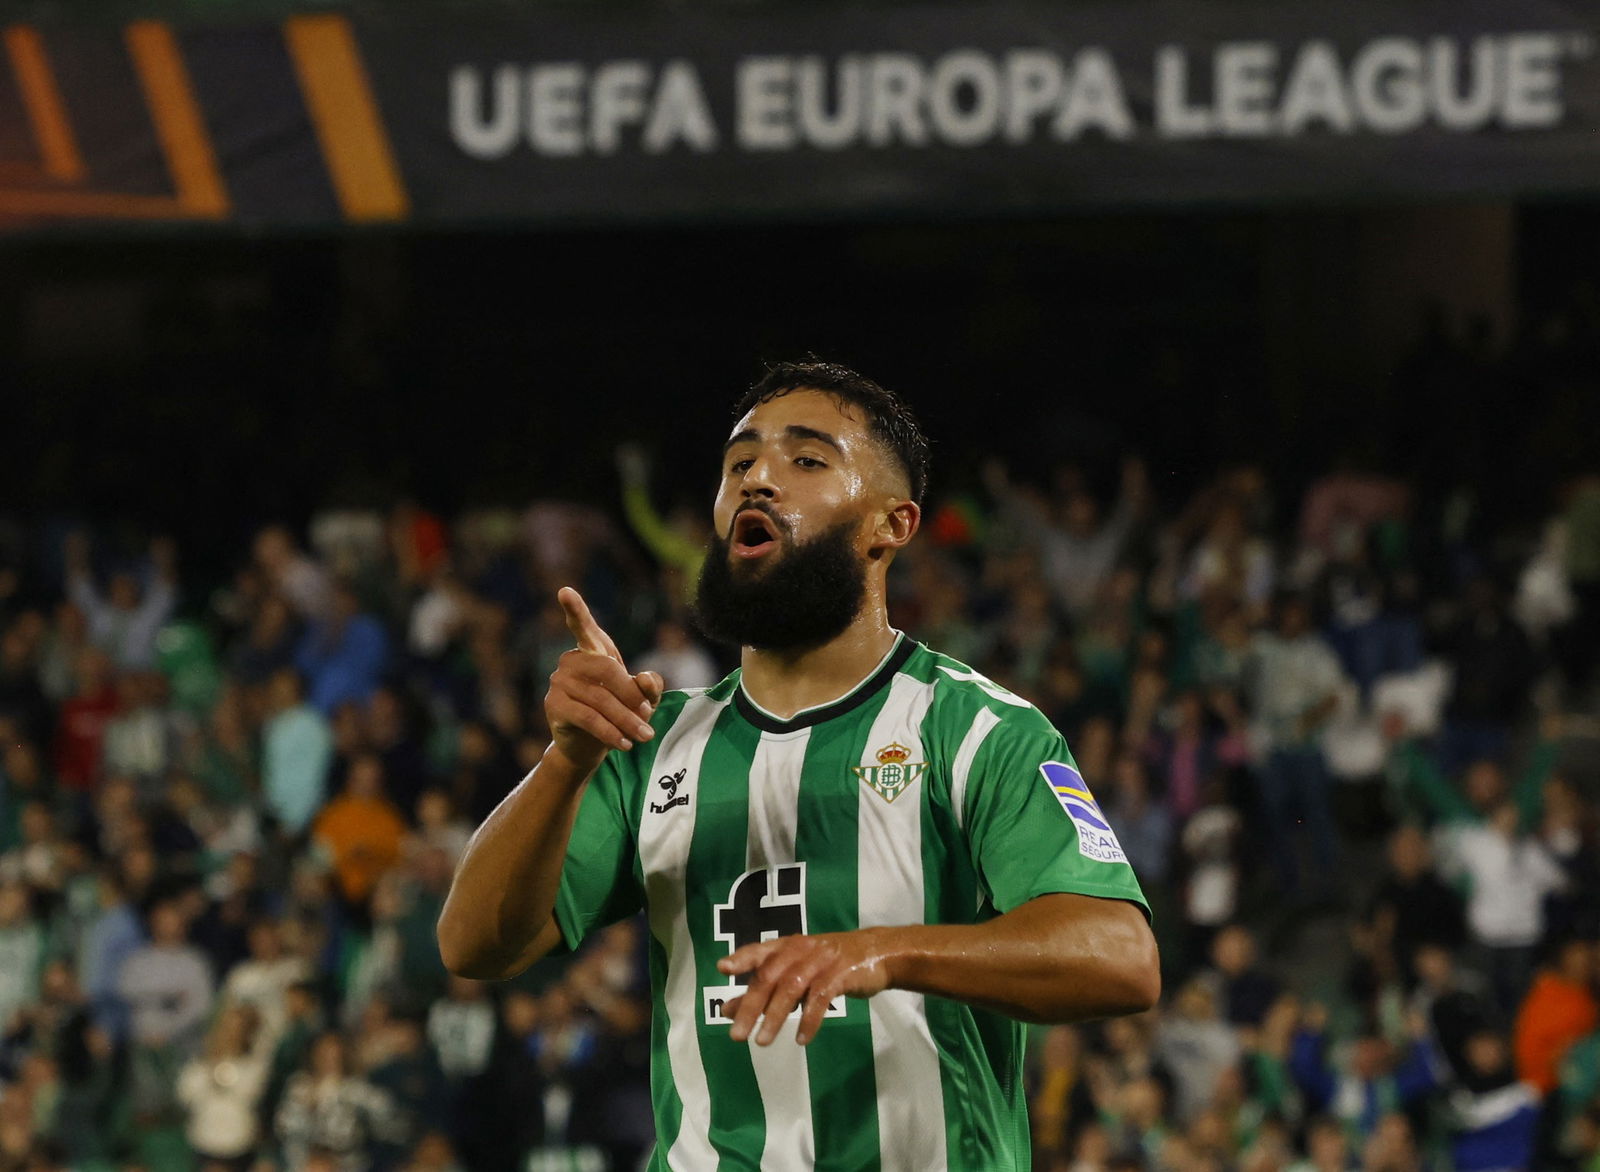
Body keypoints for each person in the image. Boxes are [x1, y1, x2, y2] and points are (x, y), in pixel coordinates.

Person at [438, 360, 1159, 1169]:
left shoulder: (977, 729)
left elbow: (1119, 956)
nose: (759, 481)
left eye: (806, 460)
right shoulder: (651, 744)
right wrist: (566, 760)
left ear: (892, 525)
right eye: (739, 464)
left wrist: (880, 953)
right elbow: (473, 946)